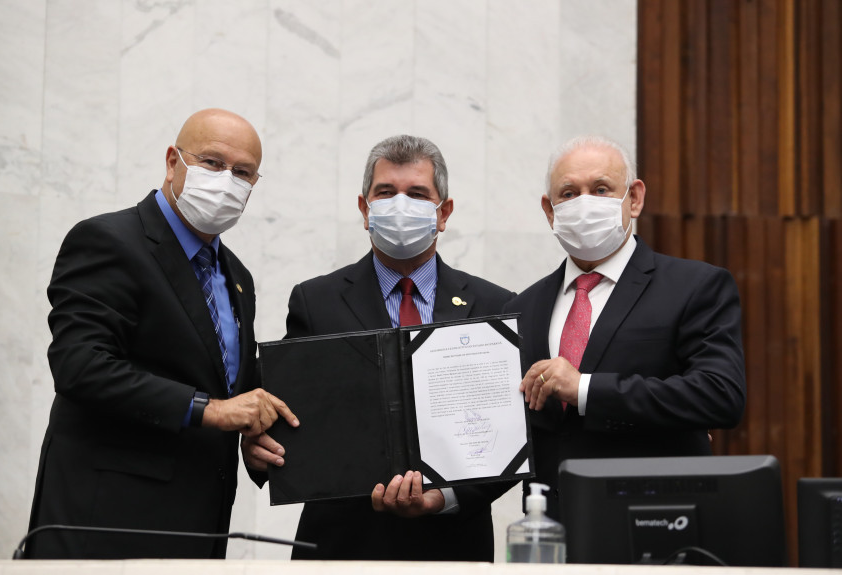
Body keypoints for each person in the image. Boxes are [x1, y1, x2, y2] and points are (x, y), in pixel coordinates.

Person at [26, 108, 298, 559]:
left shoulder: (238, 278)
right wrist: (209, 411)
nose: (227, 180)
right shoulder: (108, 240)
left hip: (197, 531)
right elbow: (81, 367)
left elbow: (235, 394)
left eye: (243, 173)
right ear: (173, 161)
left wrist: (259, 438)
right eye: (212, 162)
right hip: (105, 529)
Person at [243, 135, 515, 561]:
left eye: (417, 194)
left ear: (443, 213)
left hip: (452, 547)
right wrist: (261, 449)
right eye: (385, 192)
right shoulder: (316, 301)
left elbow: (509, 434)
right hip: (340, 546)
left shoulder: (494, 305)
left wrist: (444, 498)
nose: (400, 204)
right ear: (364, 208)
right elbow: (283, 413)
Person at [503, 135, 746, 517]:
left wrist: (583, 388)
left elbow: (720, 395)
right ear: (550, 211)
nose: (584, 203)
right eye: (568, 193)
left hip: (657, 518)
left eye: (601, 189)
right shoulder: (522, 307)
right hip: (553, 531)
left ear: (634, 199)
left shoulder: (694, 287)